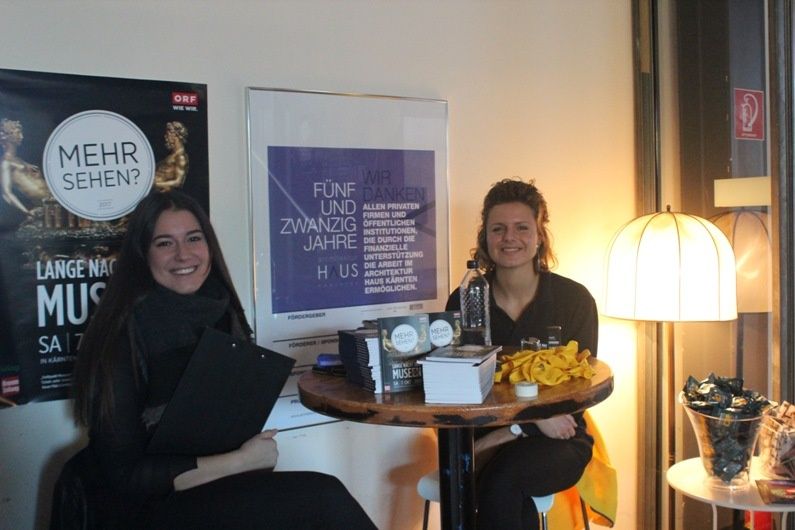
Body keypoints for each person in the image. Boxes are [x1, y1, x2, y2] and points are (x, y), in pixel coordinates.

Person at [71, 190, 376, 529]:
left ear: (209, 246)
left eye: (193, 238)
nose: (183, 254)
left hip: (213, 488)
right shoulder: (120, 334)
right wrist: (241, 461)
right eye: (165, 243)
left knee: (320, 499)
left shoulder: (223, 312)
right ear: (143, 254)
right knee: (323, 497)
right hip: (146, 507)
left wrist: (245, 455)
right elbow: (124, 477)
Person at [446, 178, 598, 530]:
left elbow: (581, 386)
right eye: (498, 229)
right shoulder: (464, 299)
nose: (509, 238)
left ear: (540, 235)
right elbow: (455, 384)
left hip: (559, 435)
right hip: (483, 433)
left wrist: (523, 427)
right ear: (485, 237)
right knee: (501, 483)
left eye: (521, 228)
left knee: (502, 479)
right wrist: (527, 422)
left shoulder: (574, 300)